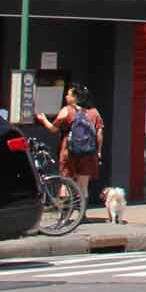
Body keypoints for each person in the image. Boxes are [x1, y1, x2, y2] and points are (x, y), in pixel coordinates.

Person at [39, 84, 104, 219]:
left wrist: (43, 119)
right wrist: (98, 151)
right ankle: (82, 214)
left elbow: (53, 129)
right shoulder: (94, 112)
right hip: (88, 153)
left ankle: (64, 214)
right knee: (83, 186)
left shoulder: (67, 110)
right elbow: (99, 133)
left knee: (66, 182)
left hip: (69, 152)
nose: (66, 96)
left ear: (75, 97)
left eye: (69, 94)